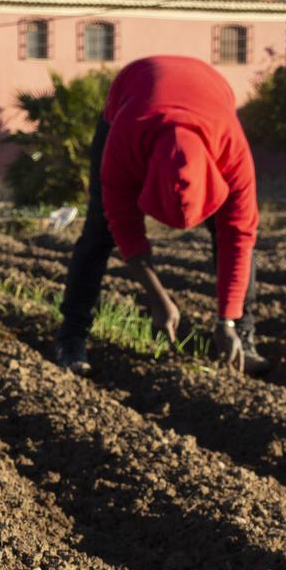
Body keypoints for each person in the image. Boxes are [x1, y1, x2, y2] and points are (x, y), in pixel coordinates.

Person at [53, 55, 266, 375]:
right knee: (99, 232)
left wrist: (227, 318)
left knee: (232, 242)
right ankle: (71, 338)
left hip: (210, 98)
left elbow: (239, 237)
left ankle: (242, 333)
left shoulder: (232, 153)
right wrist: (157, 297)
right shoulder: (124, 141)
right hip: (132, 94)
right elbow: (121, 222)